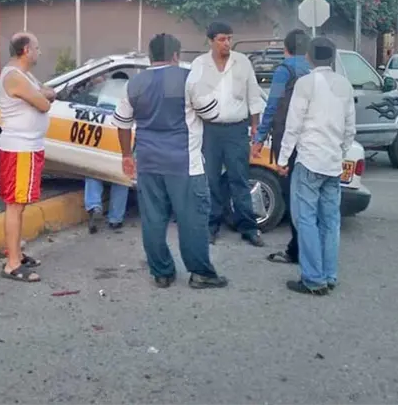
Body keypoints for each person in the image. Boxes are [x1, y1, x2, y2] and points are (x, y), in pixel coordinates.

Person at [112, 33, 227, 289]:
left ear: (150, 55)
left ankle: (162, 272)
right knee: (193, 220)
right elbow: (212, 113)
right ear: (176, 55)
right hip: (184, 164)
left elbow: (121, 122)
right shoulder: (187, 79)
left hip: (149, 162)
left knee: (153, 220)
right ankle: (201, 273)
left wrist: (126, 156)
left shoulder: (135, 83)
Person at [277, 37, 356, 295]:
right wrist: (339, 152)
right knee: (330, 222)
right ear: (332, 58)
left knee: (306, 220)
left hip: (309, 160)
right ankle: (329, 275)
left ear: (309, 57)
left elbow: (293, 125)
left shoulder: (305, 83)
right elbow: (349, 129)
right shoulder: (344, 85)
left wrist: (282, 159)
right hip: (333, 163)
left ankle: (313, 279)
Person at [187, 22, 266, 247]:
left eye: (229, 39)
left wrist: (255, 128)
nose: (227, 44)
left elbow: (254, 97)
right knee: (210, 179)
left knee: (239, 178)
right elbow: (191, 97)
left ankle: (248, 227)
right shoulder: (199, 64)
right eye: (222, 39)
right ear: (211, 40)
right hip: (209, 130)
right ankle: (212, 226)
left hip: (236, 130)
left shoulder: (242, 62)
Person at [0, 32, 55, 282]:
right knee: (15, 204)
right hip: (19, 149)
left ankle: (17, 254)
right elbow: (44, 102)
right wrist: (44, 97)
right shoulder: (13, 77)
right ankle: (12, 264)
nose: (39, 52)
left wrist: (43, 95)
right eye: (37, 47)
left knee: (19, 204)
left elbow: (45, 92)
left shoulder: (25, 76)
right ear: (25, 50)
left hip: (28, 148)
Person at [252, 28, 310, 266]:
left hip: (286, 139)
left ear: (285, 49)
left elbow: (272, 105)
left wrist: (259, 139)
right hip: (311, 142)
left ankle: (296, 249)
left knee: (291, 194)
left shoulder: (284, 71)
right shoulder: (314, 71)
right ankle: (307, 247)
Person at [82, 72, 131, 233]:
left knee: (94, 169)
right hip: (120, 126)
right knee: (121, 174)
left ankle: (94, 206)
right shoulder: (129, 90)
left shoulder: (104, 90)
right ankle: (115, 218)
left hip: (100, 124)